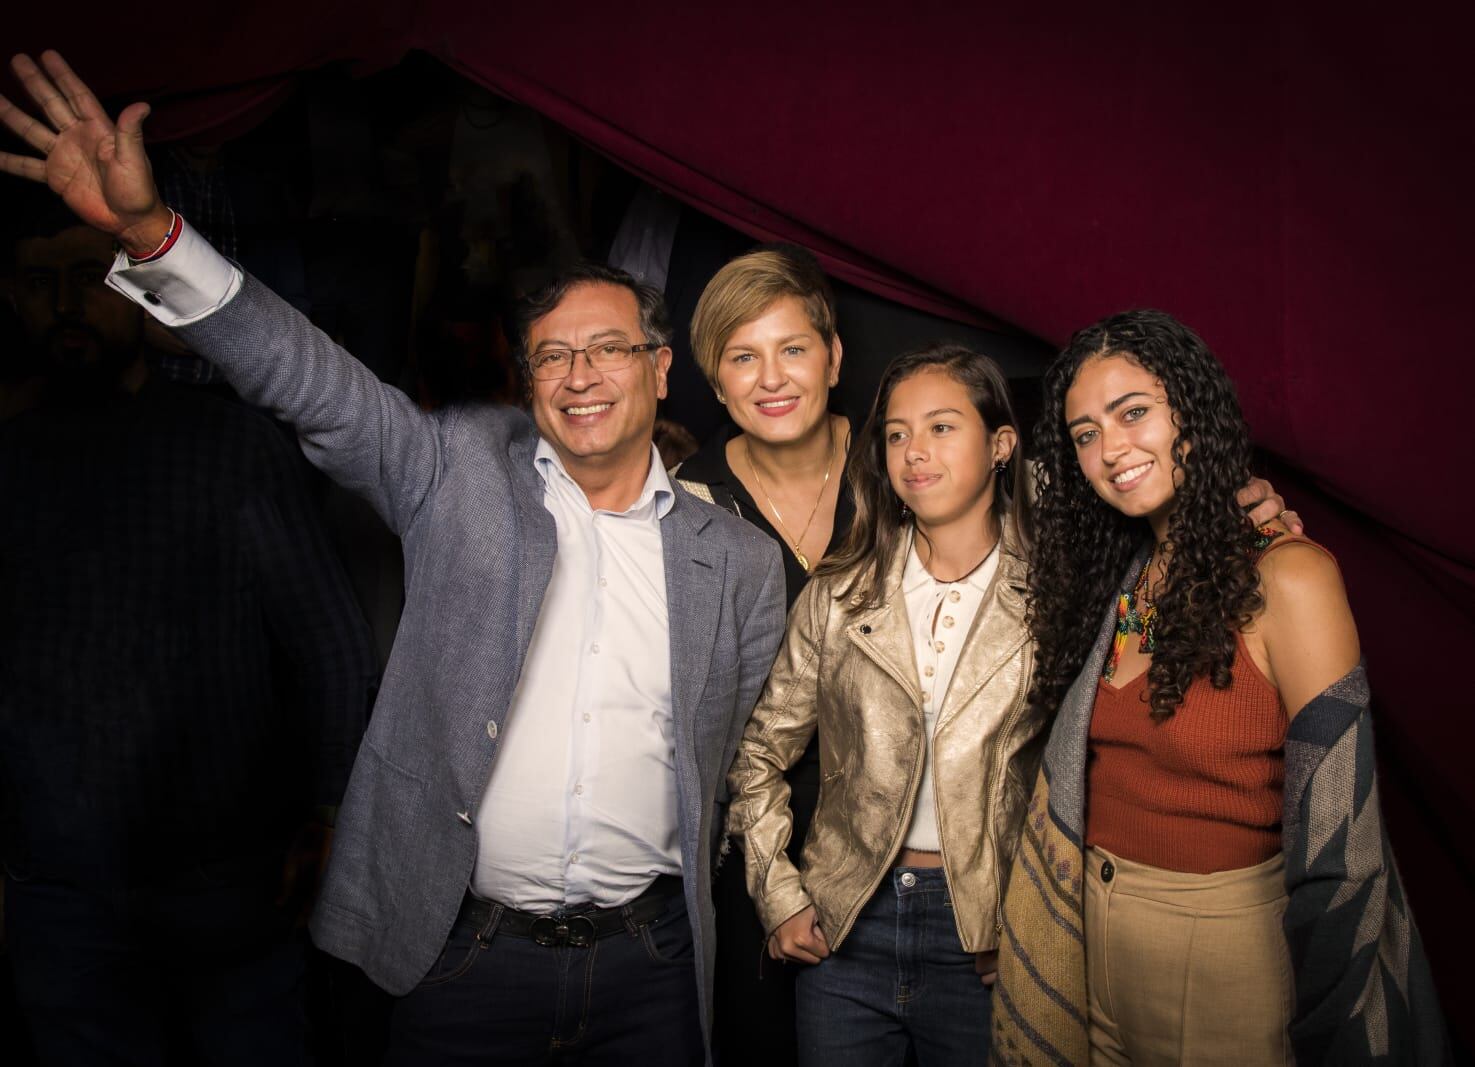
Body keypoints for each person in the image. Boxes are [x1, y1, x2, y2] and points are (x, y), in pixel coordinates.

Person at [0, 51, 786, 1066]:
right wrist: (155, 235)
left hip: (653, 967)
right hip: (465, 964)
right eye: (552, 354)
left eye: (607, 348)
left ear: (660, 368)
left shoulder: (737, 563)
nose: (579, 374)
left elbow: (738, 764)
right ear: (527, 381)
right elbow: (310, 379)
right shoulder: (457, 471)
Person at [991, 309, 1446, 1065]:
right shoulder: (1120, 581)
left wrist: (1331, 1019)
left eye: (1132, 413)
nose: (1110, 449)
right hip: (1088, 939)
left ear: (1191, 415)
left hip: (1222, 953)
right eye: (1084, 434)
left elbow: (1341, 843)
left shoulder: (1290, 576)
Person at [0, 195, 379, 1065]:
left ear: (132, 288)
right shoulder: (11, 460)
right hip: (59, 881)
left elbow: (327, 641)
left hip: (228, 873)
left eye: (87, 277)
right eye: (40, 283)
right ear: (13, 297)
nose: (65, 304)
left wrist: (331, 811)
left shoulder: (228, 446)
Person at [726, 343, 1048, 1066]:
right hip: (847, 929)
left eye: (941, 427)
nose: (914, 452)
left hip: (987, 938)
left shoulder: (1054, 596)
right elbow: (757, 755)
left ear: (1001, 445)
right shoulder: (841, 592)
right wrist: (780, 895)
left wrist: (1030, 925)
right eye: (897, 433)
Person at [676, 245, 854, 1066]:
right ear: (716, 383)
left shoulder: (907, 467)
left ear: (833, 357)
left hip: (907, 846)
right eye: (742, 357)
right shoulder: (685, 503)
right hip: (746, 854)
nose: (771, 378)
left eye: (792, 348)